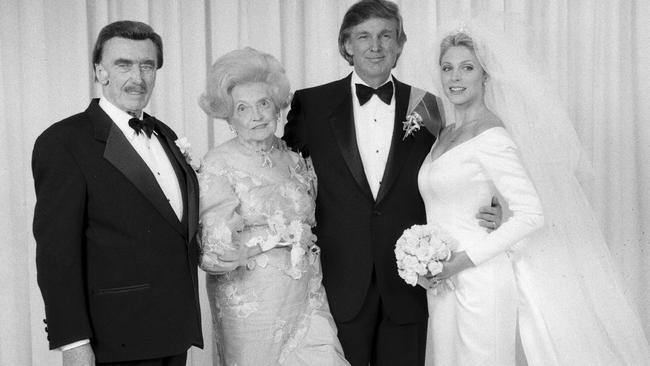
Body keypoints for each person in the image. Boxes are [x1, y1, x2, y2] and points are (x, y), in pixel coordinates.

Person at [420, 21, 650, 365]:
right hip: (442, 283)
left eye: (467, 68)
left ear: (485, 75)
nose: (455, 77)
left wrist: (460, 263)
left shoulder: (492, 135)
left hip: (479, 280)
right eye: (447, 68)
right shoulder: (445, 133)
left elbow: (531, 214)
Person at [283, 1, 500, 365]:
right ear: (347, 45)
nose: (375, 46)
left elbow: (451, 170)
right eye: (363, 36)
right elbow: (283, 173)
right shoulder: (312, 104)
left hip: (410, 282)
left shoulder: (428, 106)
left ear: (400, 44)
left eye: (386, 36)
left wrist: (491, 203)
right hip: (340, 281)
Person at [32, 21, 203, 365]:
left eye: (147, 65)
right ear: (100, 71)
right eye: (124, 64)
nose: (137, 77)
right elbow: (56, 256)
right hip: (114, 340)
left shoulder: (165, 134)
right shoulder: (64, 142)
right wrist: (73, 344)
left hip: (174, 333)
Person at [197, 47, 349, 365]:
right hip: (251, 308)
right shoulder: (219, 163)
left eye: (263, 103)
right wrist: (276, 239)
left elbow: (313, 222)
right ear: (229, 116)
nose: (257, 115)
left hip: (305, 295)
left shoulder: (294, 159)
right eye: (243, 108)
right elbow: (213, 252)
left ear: (277, 105)